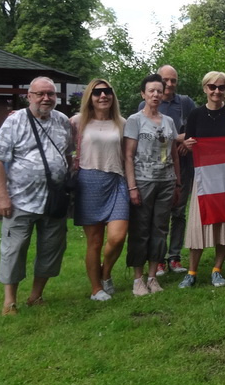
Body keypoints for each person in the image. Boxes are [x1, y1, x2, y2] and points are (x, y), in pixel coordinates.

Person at [0, 76, 72, 315]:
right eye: (40, 94)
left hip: (54, 200)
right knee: (14, 250)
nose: (46, 98)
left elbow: (67, 153)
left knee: (51, 249)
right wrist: (2, 197)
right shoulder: (14, 121)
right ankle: (9, 301)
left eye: (51, 94)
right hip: (20, 200)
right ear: (29, 96)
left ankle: (36, 296)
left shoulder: (63, 121)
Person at [181, 72, 225, 287]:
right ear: (205, 88)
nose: (217, 91)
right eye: (212, 87)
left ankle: (217, 270)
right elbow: (188, 143)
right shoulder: (196, 114)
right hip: (204, 178)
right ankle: (191, 272)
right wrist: (187, 145)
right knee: (198, 224)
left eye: (221, 87)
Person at [70, 78, 128, 301]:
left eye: (107, 91)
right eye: (97, 92)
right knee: (94, 241)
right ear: (90, 97)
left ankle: (105, 274)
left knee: (118, 236)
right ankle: (96, 288)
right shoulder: (78, 121)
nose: (103, 96)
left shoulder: (121, 122)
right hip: (89, 182)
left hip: (117, 180)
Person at [123, 74, 181, 296]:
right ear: (143, 94)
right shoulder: (135, 120)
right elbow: (128, 155)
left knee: (160, 228)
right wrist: (132, 187)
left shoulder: (169, 121)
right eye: (151, 91)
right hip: (143, 181)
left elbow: (174, 154)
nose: (156, 94)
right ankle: (138, 279)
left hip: (166, 181)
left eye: (159, 90)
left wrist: (177, 183)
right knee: (140, 229)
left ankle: (153, 276)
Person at [141, 65, 195, 276]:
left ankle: (174, 257)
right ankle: (158, 259)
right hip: (153, 169)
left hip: (183, 166)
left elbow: (196, 127)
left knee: (179, 213)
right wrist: (176, 139)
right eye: (165, 81)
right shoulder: (145, 104)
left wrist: (185, 143)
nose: (169, 84)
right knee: (158, 215)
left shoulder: (185, 103)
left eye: (173, 80)